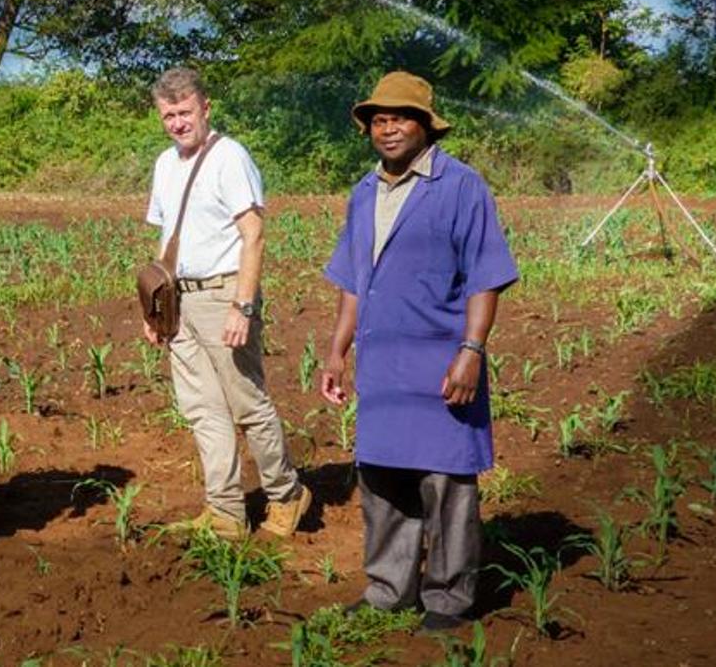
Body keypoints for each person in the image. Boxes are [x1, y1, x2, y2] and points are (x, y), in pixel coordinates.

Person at [319, 71, 518, 632]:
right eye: (379, 119)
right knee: (382, 479)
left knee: (447, 482)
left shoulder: (461, 186)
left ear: (426, 125)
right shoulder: (363, 193)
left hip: (440, 361)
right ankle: (388, 589)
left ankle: (449, 599)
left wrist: (472, 349)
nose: (388, 129)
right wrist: (336, 352)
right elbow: (353, 283)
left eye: (401, 117)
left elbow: (485, 276)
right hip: (382, 364)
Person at [143, 67, 311, 541]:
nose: (177, 123)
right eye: (168, 115)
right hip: (180, 300)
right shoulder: (164, 164)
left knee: (247, 403)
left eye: (185, 112)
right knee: (202, 410)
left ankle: (286, 495)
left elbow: (253, 234)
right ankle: (225, 512)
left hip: (224, 295)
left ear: (205, 108)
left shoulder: (229, 157)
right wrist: (156, 308)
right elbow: (167, 240)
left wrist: (243, 306)